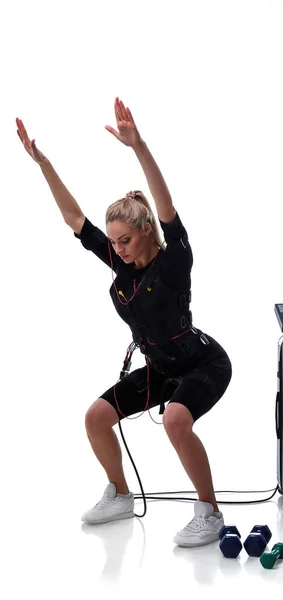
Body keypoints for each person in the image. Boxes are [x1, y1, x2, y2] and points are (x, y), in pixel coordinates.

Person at [16, 97, 232, 547]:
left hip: (202, 363)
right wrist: (43, 163)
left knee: (175, 421)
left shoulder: (174, 262)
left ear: (147, 232)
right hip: (160, 368)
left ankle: (209, 512)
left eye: (126, 240)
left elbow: (168, 208)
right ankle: (119, 495)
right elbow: (75, 219)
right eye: (114, 241)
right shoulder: (122, 267)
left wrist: (139, 146)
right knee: (96, 417)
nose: (118, 249)